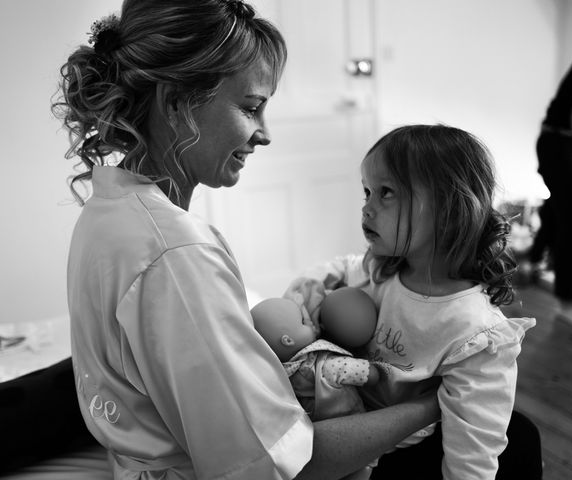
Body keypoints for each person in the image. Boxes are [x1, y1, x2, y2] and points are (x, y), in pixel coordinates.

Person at [52, 1, 440, 479]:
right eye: (251, 107)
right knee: (515, 436)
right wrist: (432, 402)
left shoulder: (107, 208)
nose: (264, 134)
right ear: (177, 102)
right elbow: (281, 463)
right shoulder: (175, 254)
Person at [284, 124, 537, 480]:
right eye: (367, 192)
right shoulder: (383, 268)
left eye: (386, 193)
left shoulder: (476, 332)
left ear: (448, 208)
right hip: (344, 426)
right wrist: (308, 286)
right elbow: (342, 266)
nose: (367, 208)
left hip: (401, 449)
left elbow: (474, 451)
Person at [251, 289, 386, 422]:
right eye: (303, 321)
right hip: (354, 419)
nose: (310, 321)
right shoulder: (322, 367)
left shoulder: (284, 378)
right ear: (288, 341)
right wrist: (372, 369)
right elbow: (371, 375)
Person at [525, 49, 572, 329]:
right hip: (562, 143)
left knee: (559, 210)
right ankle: (566, 301)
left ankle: (534, 260)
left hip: (568, 143)